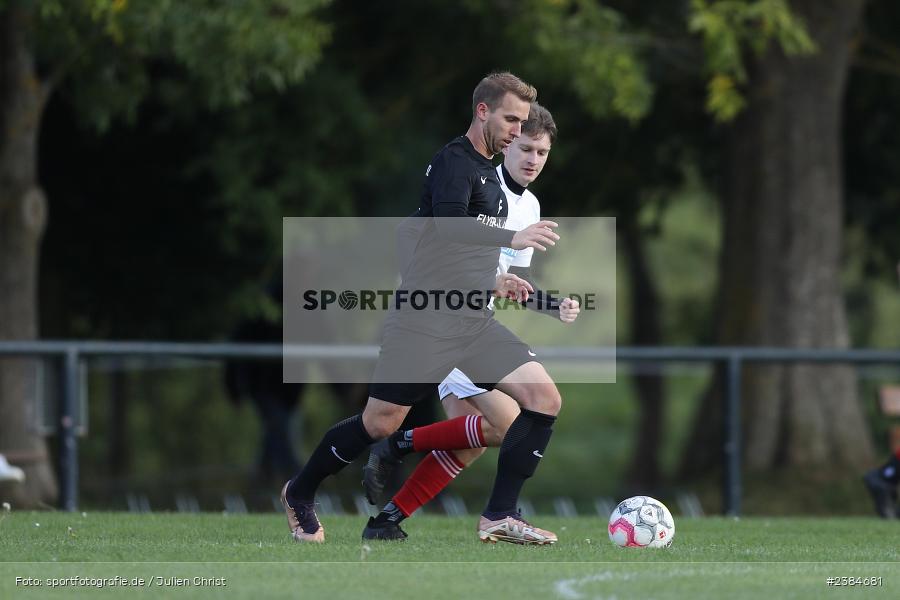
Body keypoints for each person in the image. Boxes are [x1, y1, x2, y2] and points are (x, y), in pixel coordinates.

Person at [280, 72, 564, 545]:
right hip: (424, 321)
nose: (518, 130)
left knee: (543, 400)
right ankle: (300, 492)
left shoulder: (492, 178)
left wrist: (502, 281)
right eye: (511, 119)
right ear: (482, 111)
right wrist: (508, 239)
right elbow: (450, 230)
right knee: (379, 423)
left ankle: (498, 514)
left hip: (472, 321)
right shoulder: (454, 162)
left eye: (522, 122)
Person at [360, 104, 581, 542]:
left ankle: (386, 519)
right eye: (524, 147)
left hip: (473, 326)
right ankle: (495, 510)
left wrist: (554, 305)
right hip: (440, 322)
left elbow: (518, 283)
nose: (533, 159)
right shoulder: (477, 180)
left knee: (479, 438)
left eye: (542, 152)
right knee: (519, 414)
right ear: (505, 143)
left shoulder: (530, 204)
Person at [864, 450, 900, 518]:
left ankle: (891, 513)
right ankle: (888, 514)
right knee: (886, 511)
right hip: (877, 479)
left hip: (889, 484)